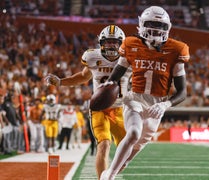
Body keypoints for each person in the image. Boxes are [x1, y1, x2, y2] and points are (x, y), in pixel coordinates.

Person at [100, 6, 189, 180]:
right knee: (133, 133)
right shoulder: (131, 44)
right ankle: (109, 176)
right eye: (151, 23)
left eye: (160, 25)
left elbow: (182, 91)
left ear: (168, 27)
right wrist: (108, 87)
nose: (155, 28)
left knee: (129, 155)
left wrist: (165, 104)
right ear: (141, 24)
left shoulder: (177, 49)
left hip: (157, 106)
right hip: (134, 98)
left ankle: (112, 170)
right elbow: (118, 72)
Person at [44, 25, 131, 178]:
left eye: (114, 42)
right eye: (108, 42)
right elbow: (84, 76)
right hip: (99, 108)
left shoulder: (130, 58)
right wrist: (60, 82)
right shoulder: (92, 57)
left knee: (127, 152)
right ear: (101, 42)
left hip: (120, 109)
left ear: (121, 43)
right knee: (104, 144)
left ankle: (109, 174)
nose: (111, 45)